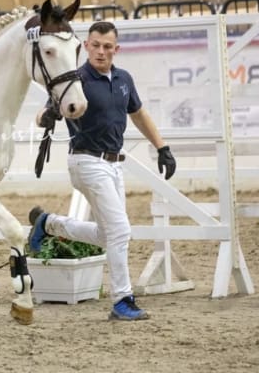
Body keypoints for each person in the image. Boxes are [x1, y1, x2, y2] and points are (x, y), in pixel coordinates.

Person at [28, 21, 176, 321]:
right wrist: (50, 114)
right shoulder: (75, 78)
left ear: (116, 49)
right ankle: (122, 299)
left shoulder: (124, 78)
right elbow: (40, 116)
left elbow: (138, 114)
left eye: (107, 46)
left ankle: (49, 224)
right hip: (86, 161)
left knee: (106, 234)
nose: (100, 51)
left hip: (114, 164)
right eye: (95, 45)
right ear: (86, 45)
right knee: (121, 231)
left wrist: (162, 148)